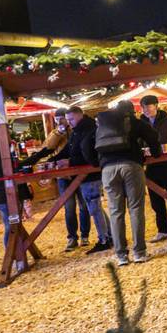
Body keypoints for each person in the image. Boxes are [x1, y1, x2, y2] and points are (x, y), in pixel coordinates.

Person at [96, 100, 161, 265]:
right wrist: (156, 153)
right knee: (135, 208)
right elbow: (152, 136)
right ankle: (139, 252)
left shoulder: (104, 124)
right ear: (131, 111)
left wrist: (99, 163)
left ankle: (121, 256)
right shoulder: (133, 121)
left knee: (115, 211)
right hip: (130, 165)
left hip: (108, 169)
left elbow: (91, 145)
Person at [20, 108, 90, 250]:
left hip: (79, 171)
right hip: (63, 174)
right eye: (57, 119)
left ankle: (85, 236)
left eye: (62, 118)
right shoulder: (56, 132)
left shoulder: (77, 129)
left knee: (84, 206)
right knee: (69, 207)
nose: (60, 121)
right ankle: (72, 237)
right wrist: (59, 132)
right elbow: (48, 147)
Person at [50, 106, 112, 253]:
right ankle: (110, 236)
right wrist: (52, 159)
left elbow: (89, 155)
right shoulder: (77, 131)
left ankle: (104, 240)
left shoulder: (88, 130)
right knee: (95, 207)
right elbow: (64, 149)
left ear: (80, 116)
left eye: (71, 119)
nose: (68, 122)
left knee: (93, 208)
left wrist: (69, 162)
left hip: (90, 176)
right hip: (85, 176)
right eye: (67, 119)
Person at [139, 94, 167, 242]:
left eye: (148, 106)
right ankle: (163, 229)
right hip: (151, 166)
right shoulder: (141, 124)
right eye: (143, 107)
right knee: (155, 200)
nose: (145, 110)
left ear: (156, 106)